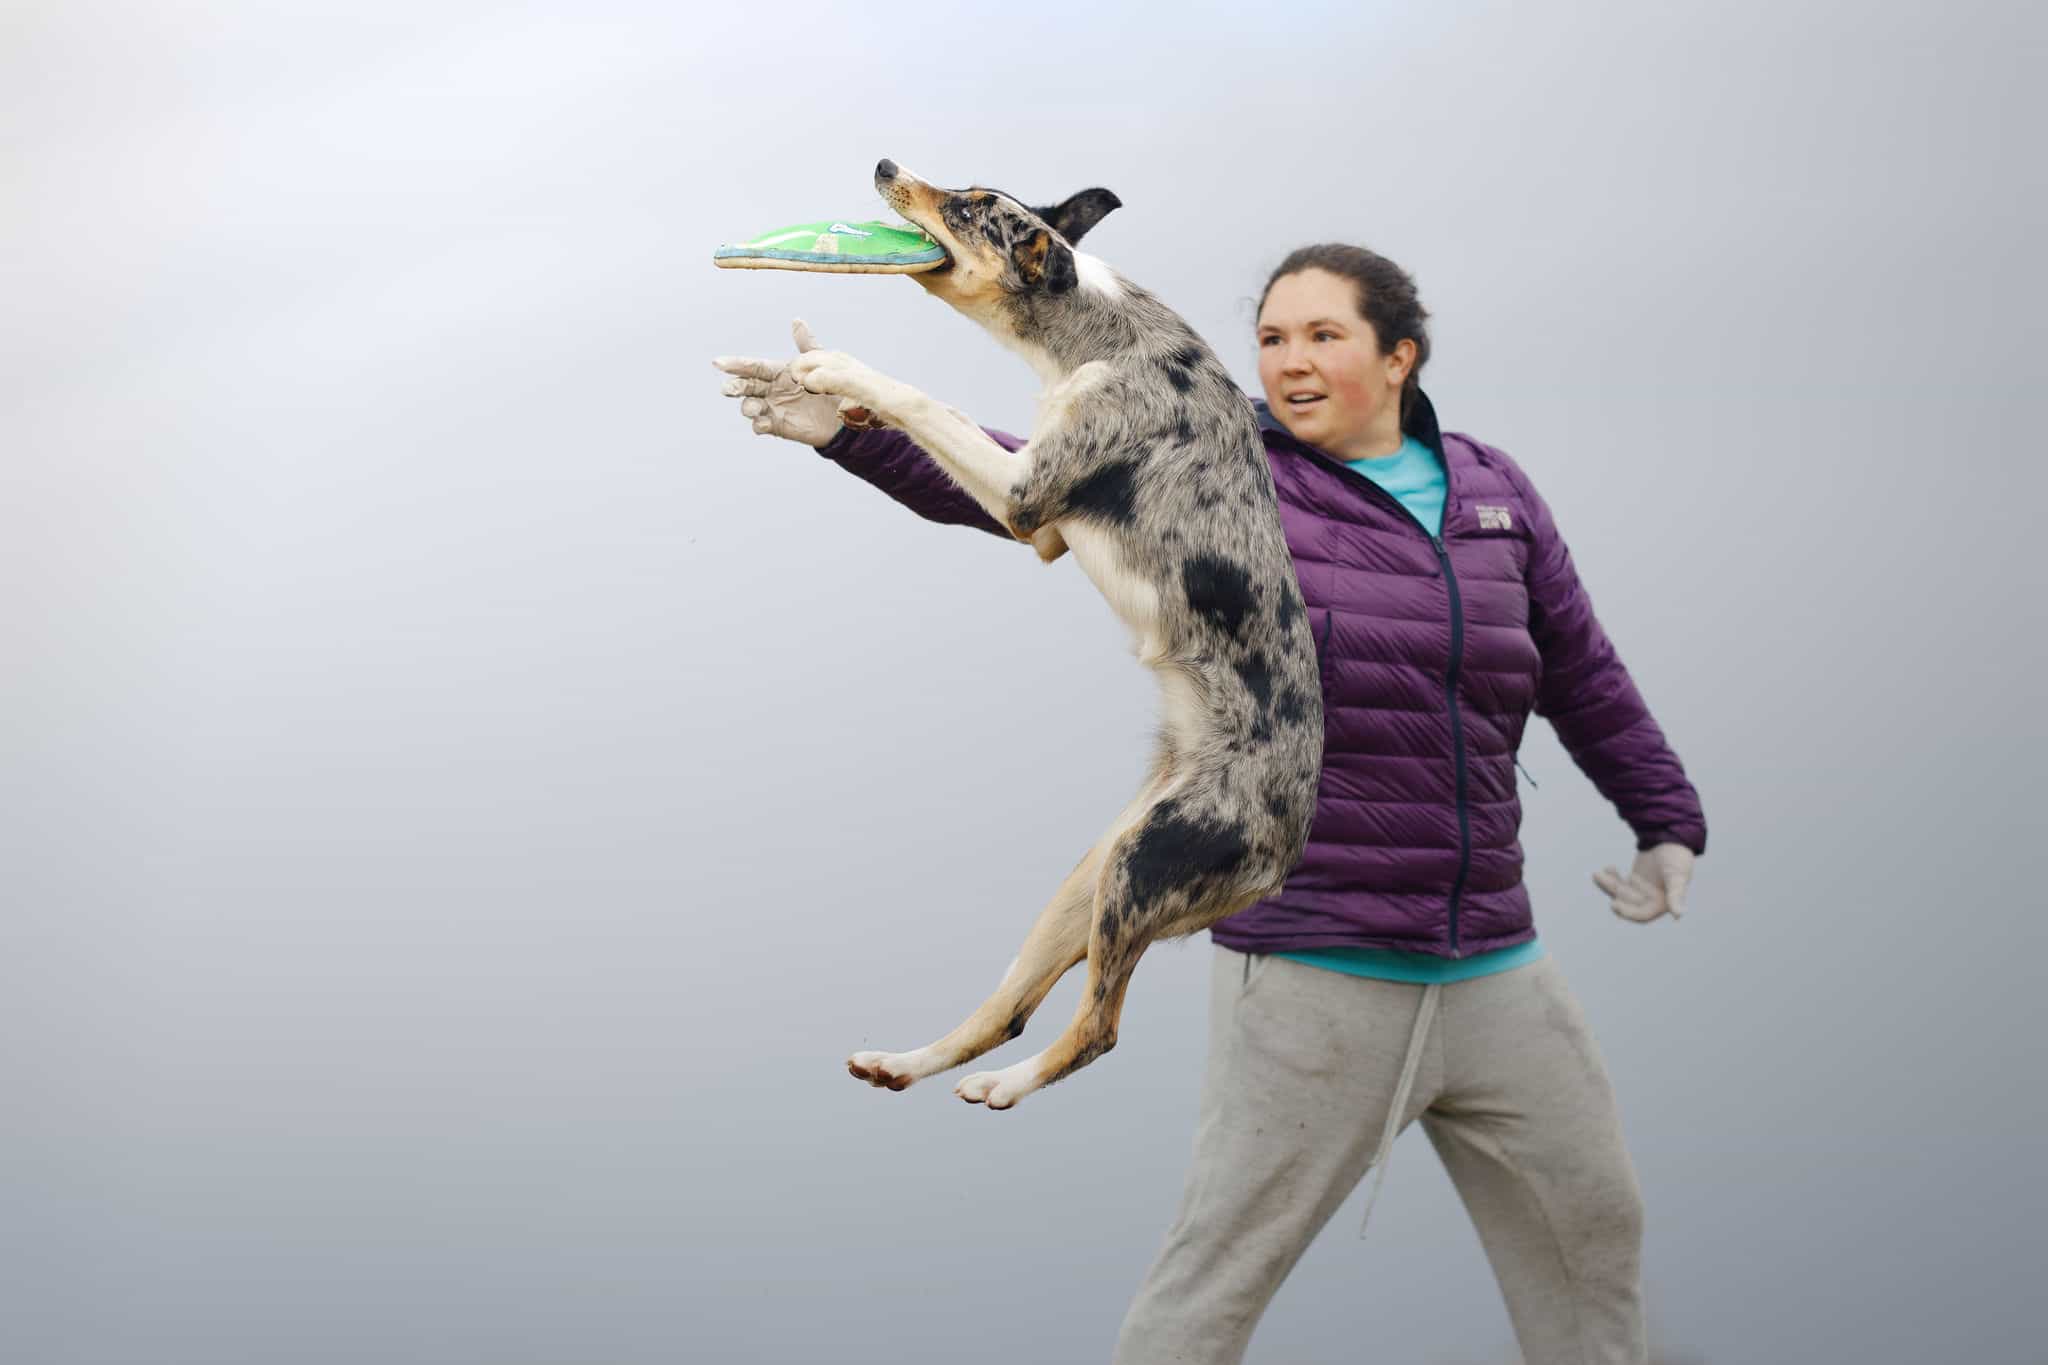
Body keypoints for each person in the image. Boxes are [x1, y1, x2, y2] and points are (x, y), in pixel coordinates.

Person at [713, 242, 1705, 1365]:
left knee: (1594, 1248)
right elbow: (1030, 482)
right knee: (1212, 1283)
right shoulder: (1222, 451)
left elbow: (1577, 668)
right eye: (1271, 338)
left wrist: (1664, 822)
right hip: (1315, 970)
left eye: (1322, 336)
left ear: (1400, 356)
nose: (1286, 362)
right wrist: (855, 434)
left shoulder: (1492, 492)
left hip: (1497, 965)